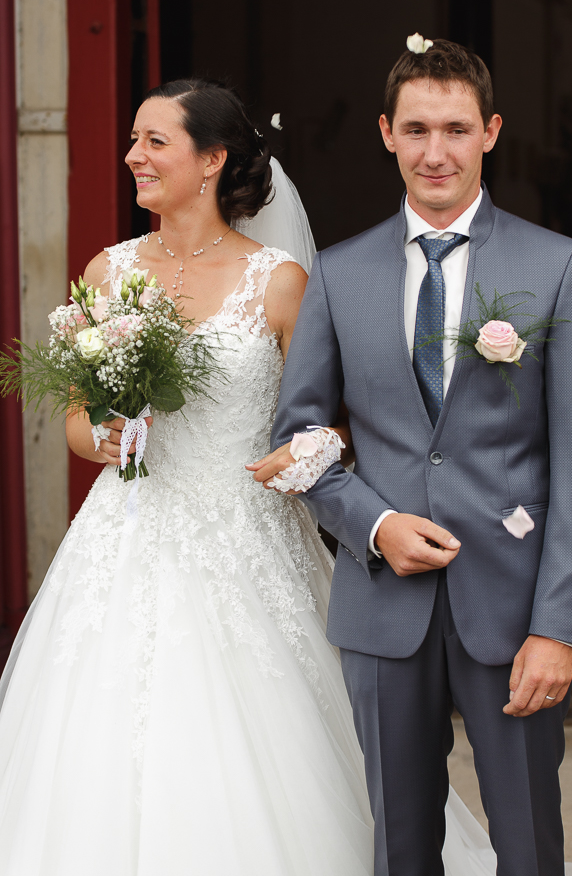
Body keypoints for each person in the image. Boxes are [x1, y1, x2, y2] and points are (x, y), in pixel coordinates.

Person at [0, 79, 377, 875]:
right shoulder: (110, 271)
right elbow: (73, 417)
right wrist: (96, 436)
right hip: (126, 531)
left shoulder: (278, 281)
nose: (134, 155)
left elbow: (336, 421)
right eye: (134, 140)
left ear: (211, 160)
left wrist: (309, 449)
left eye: (154, 141)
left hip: (247, 536)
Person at [268, 40, 572, 876]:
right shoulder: (339, 273)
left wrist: (557, 628)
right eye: (415, 129)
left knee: (527, 843)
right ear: (385, 133)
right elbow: (297, 436)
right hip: (383, 606)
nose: (435, 152)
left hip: (513, 608)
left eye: (455, 129)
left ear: (489, 132)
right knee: (399, 846)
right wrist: (373, 525)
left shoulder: (555, 266)